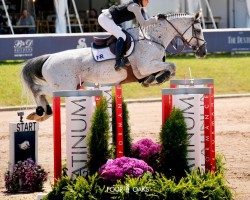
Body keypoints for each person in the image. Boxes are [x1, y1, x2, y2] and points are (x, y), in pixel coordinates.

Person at [98, 0, 158, 71]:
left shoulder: (138, 7)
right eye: (147, 0)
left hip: (111, 20)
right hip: (106, 18)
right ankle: (118, 63)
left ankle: (124, 58)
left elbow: (139, 24)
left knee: (125, 35)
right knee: (122, 36)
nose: (148, 2)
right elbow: (143, 23)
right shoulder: (134, 6)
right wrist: (156, 19)